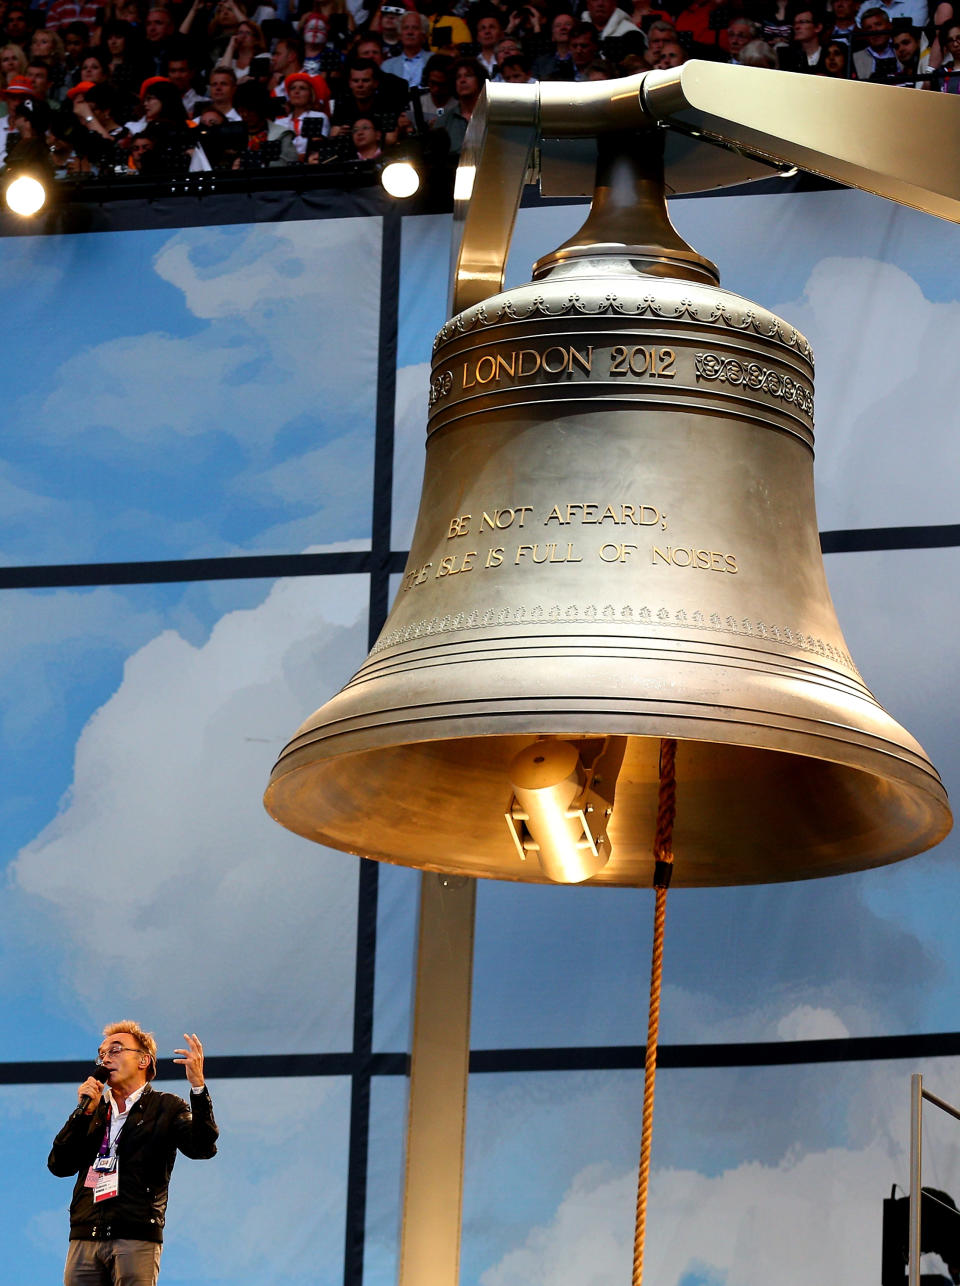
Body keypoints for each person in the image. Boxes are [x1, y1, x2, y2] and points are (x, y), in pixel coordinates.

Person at [48, 1024, 217, 1286]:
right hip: (84, 1235)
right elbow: (59, 1165)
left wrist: (198, 1087)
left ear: (143, 1060)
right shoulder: (95, 1109)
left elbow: (202, 1147)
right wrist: (82, 1115)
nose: (105, 1058)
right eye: (101, 1054)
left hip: (136, 1234)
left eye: (115, 1050)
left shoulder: (166, 1106)